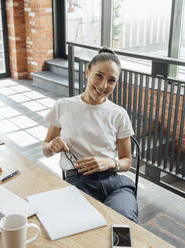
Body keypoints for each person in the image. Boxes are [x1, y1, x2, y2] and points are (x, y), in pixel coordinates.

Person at [42, 47, 138, 223]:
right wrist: (50, 146)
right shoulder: (63, 106)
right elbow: (45, 150)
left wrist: (109, 162)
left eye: (111, 81)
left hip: (114, 183)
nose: (103, 86)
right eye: (99, 76)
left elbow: (127, 162)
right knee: (85, 226)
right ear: (87, 72)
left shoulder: (119, 114)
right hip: (79, 183)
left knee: (122, 224)